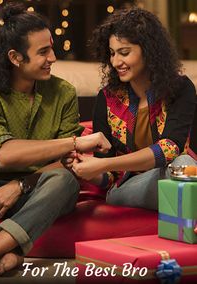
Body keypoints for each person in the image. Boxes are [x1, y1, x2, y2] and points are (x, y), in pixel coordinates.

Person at [0, 2, 111, 280]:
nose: (53, 58)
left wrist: (19, 185)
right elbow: (3, 154)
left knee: (65, 181)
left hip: (40, 189)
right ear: (15, 58)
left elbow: (68, 164)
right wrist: (75, 142)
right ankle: (4, 247)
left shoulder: (63, 92)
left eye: (51, 48)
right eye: (43, 52)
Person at [68, 8, 197, 210]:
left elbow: (169, 149)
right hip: (127, 188)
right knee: (185, 173)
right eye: (112, 53)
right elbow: (109, 178)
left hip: (174, 173)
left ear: (148, 50)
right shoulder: (107, 98)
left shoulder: (180, 89)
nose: (116, 62)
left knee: (184, 165)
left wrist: (101, 165)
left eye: (124, 53)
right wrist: (87, 169)